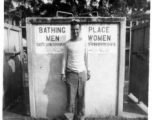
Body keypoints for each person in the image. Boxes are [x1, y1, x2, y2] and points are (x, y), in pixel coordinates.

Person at [61, 19, 91, 120]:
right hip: (70, 74)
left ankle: (80, 118)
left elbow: (87, 57)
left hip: (82, 73)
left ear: (80, 29)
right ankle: (69, 118)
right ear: (71, 30)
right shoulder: (67, 44)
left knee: (81, 98)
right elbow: (64, 59)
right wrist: (62, 73)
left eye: (77, 29)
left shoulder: (84, 42)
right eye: (73, 29)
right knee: (70, 99)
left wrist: (89, 71)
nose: (75, 32)